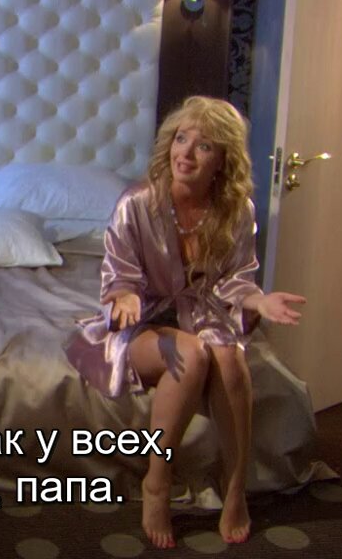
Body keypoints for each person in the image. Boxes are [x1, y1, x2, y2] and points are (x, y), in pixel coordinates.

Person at [65, 96, 305, 548]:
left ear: (223, 161)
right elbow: (118, 275)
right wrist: (125, 296)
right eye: (181, 139)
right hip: (143, 320)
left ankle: (236, 486)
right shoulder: (137, 203)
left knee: (229, 359)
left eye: (204, 146)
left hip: (205, 313)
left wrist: (259, 299)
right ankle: (157, 482)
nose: (186, 154)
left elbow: (237, 278)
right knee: (191, 356)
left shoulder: (237, 209)